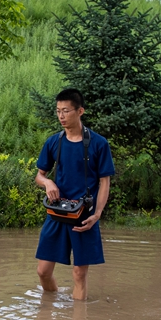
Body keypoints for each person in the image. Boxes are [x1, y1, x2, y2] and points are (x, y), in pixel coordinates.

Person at [34, 89, 115, 301]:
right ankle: (52, 303)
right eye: (58, 111)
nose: (61, 116)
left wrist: (97, 214)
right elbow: (39, 176)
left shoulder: (99, 144)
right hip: (57, 214)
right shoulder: (54, 142)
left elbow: (104, 182)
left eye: (66, 111)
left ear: (80, 111)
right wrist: (47, 182)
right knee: (43, 272)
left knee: (79, 274)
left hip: (84, 217)